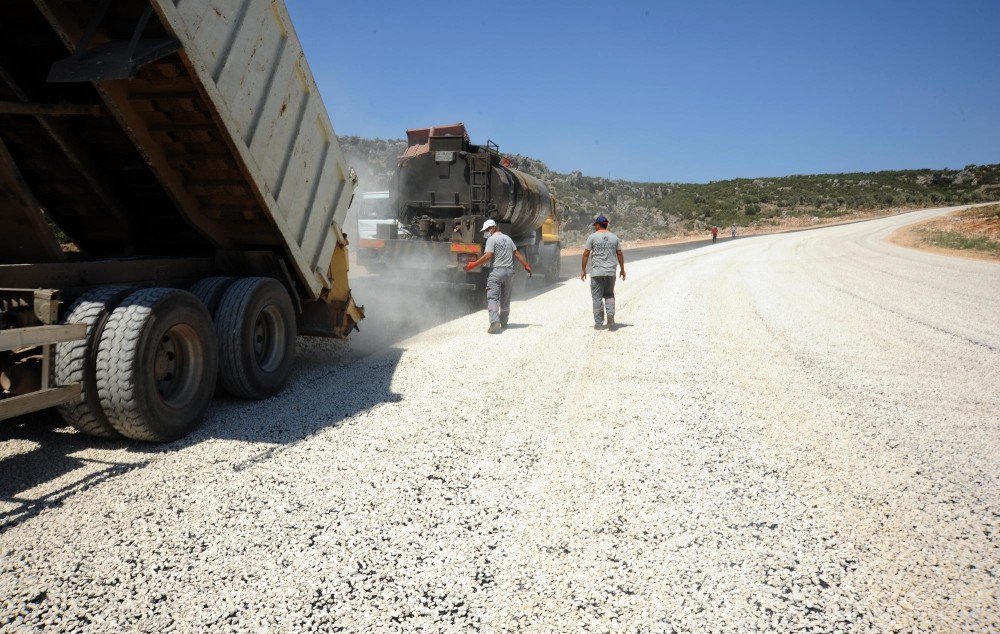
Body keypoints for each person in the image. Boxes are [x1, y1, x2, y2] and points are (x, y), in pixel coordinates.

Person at [464, 219, 532, 334]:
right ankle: (504, 321)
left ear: (493, 228)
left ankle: (495, 322)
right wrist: (526, 265)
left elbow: (488, 256)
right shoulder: (508, 238)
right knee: (505, 298)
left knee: (492, 297)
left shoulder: (492, 239)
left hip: (497, 271)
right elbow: (517, 254)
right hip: (510, 272)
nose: (486, 232)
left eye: (487, 230)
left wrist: (473, 265)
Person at [581, 215, 625, 330]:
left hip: (597, 273)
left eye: (595, 225)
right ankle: (610, 315)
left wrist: (583, 270)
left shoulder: (592, 237)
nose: (594, 227)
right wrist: (622, 270)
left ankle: (599, 324)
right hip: (611, 272)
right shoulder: (614, 237)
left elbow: (586, 254)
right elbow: (619, 254)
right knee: (609, 294)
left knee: (597, 298)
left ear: (598, 225)